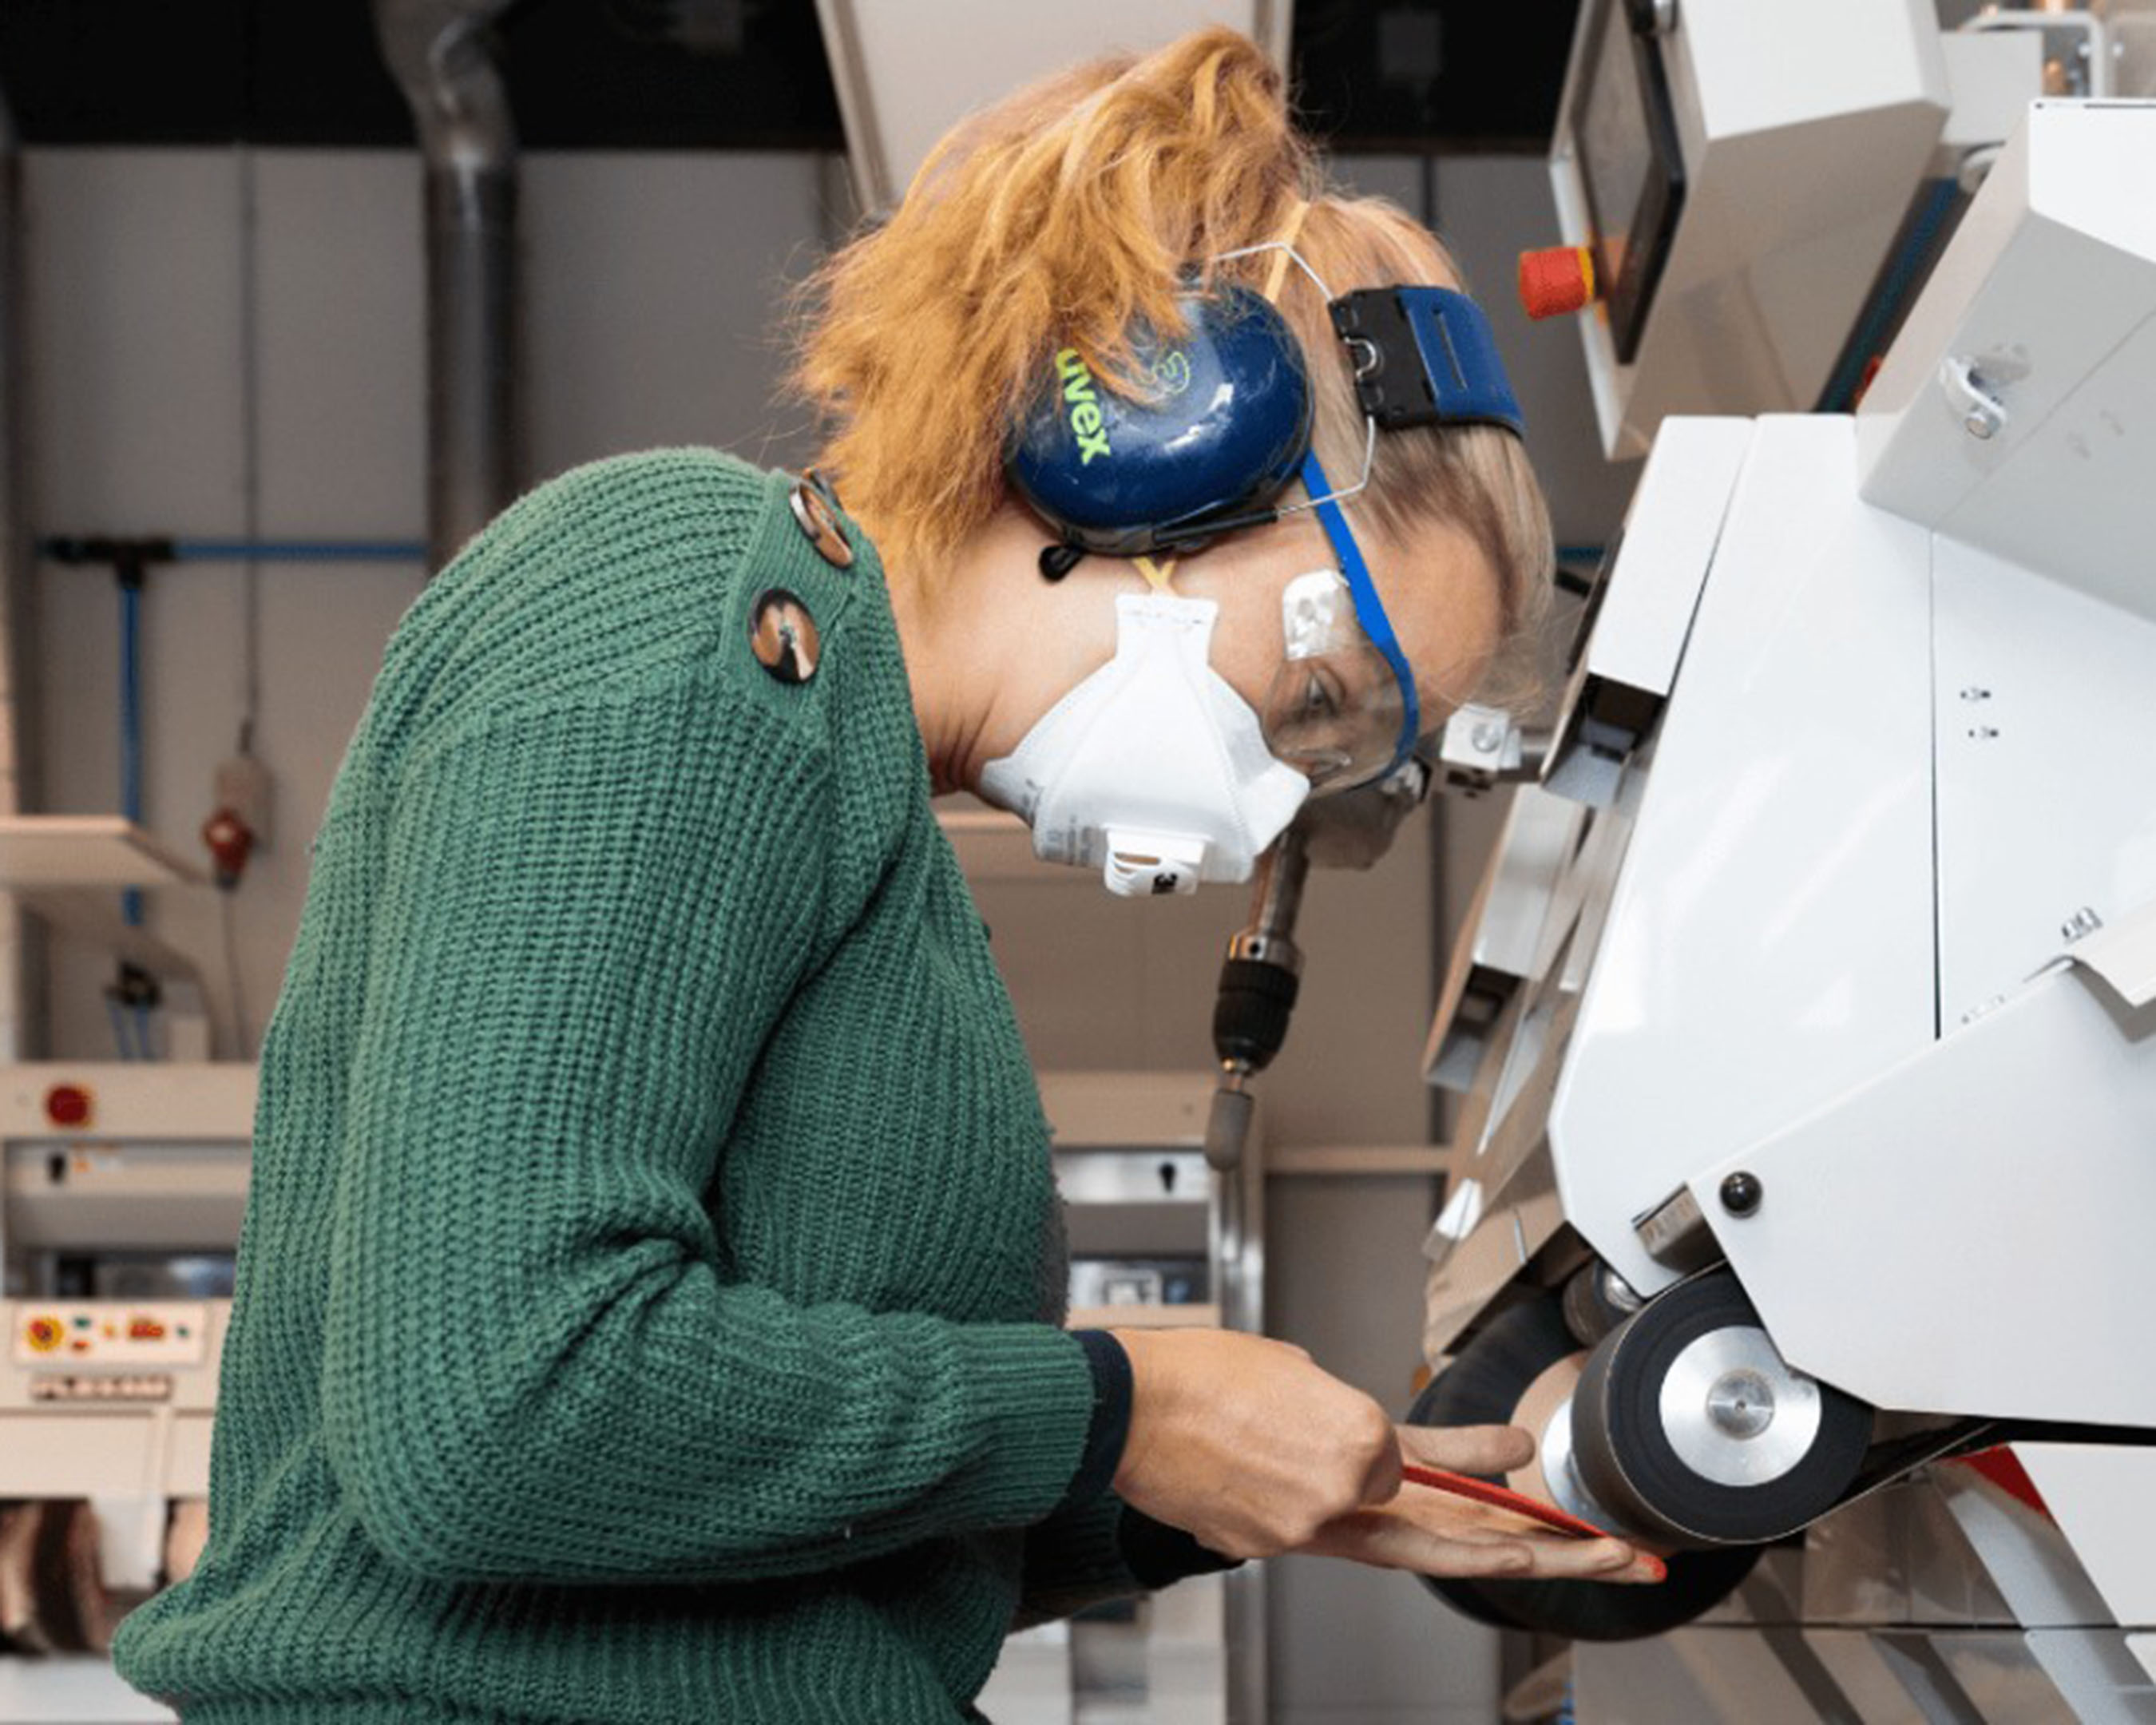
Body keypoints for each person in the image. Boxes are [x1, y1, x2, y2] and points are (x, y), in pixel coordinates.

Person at [113, 26, 1658, 1725]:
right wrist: (1123, 1403)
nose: (1282, 798)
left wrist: (1233, 1484)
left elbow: (791, 1557)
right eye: (1316, 698)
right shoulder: (683, 607)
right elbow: (493, 1415)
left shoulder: (870, 804)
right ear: (1151, 429)